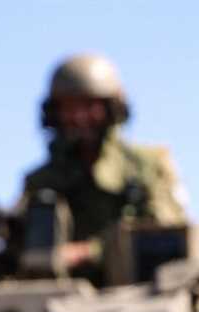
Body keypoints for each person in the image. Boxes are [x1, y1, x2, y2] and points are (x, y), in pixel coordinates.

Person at [19, 53, 187, 284]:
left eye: (89, 106)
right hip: (60, 295)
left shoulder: (148, 166)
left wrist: (90, 252)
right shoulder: (41, 181)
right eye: (68, 107)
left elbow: (166, 234)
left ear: (111, 108)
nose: (78, 117)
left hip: (139, 292)